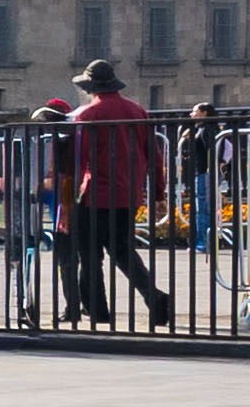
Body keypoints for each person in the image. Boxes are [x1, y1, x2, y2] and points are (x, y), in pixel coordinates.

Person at [61, 59, 172, 328]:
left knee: (90, 254)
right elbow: (154, 156)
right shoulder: (137, 110)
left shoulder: (88, 115)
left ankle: (99, 310)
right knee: (122, 250)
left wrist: (67, 202)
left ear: (91, 87)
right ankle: (153, 297)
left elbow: (78, 163)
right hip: (128, 194)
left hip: (95, 194)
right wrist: (159, 194)